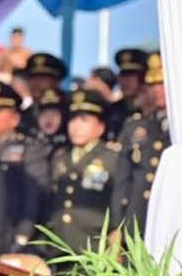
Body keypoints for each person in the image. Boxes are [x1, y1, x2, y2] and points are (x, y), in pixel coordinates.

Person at [41, 89, 126, 258]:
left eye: (84, 120)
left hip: (94, 250)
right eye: (72, 119)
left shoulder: (112, 158)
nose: (76, 126)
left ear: (101, 127)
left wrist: (116, 243)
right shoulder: (60, 157)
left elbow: (118, 203)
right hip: (58, 250)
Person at [0, 80, 50, 258]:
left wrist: (23, 235)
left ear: (15, 118)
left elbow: (35, 195)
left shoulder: (30, 148)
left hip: (13, 239)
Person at [118, 52, 170, 232]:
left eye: (163, 84)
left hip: (172, 215)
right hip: (138, 215)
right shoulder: (135, 126)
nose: (157, 90)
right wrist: (117, 225)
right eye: (152, 85)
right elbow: (123, 179)